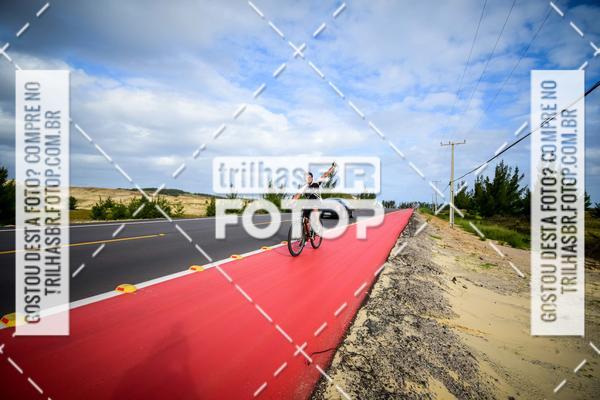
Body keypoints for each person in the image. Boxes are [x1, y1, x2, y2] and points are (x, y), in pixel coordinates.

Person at [293, 162, 336, 235]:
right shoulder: (305, 187)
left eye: (309, 177)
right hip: (309, 203)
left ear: (312, 178)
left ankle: (317, 226)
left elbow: (326, 174)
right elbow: (297, 195)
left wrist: (333, 167)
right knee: (304, 217)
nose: (308, 179)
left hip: (317, 202)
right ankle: (306, 234)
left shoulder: (316, 182)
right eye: (306, 178)